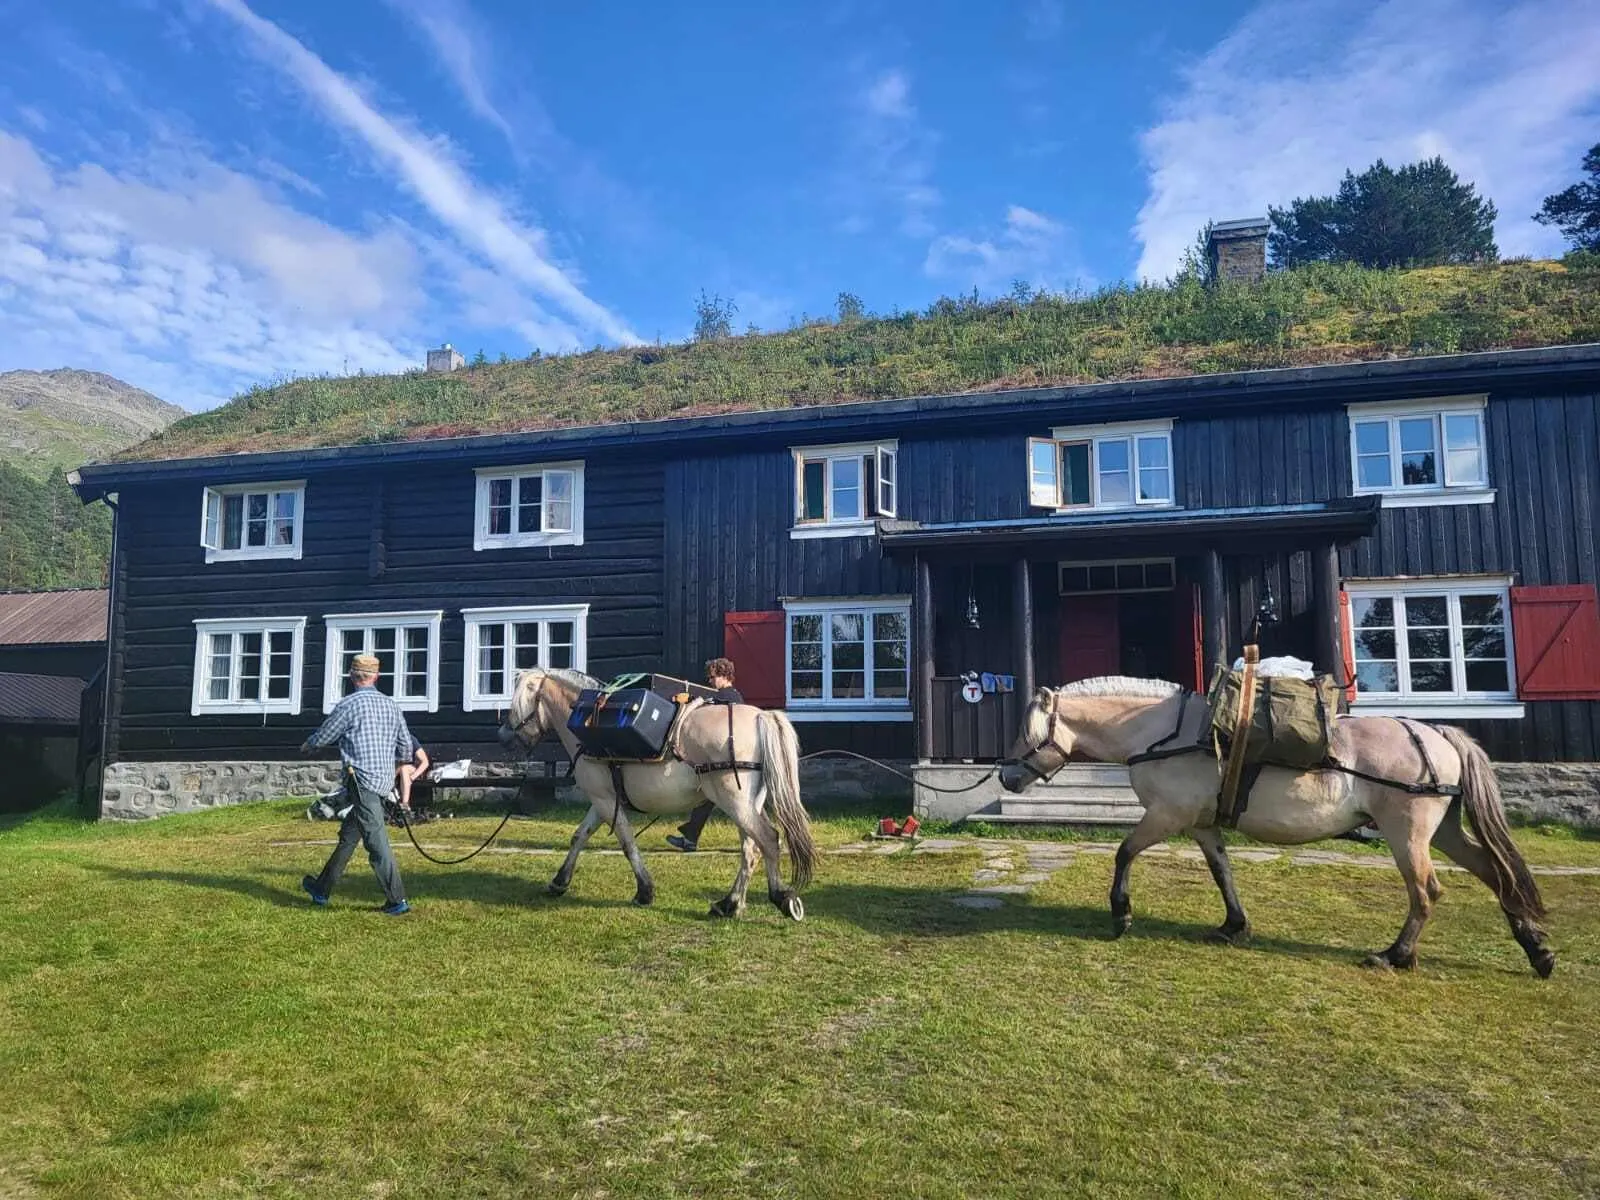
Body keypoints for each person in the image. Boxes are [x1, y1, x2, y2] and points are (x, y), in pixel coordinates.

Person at [300, 654, 425, 915]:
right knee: (349, 836)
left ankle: (396, 899)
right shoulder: (391, 705)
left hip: (361, 782)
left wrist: (309, 744)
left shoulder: (349, 705)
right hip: (382, 781)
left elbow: (325, 735)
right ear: (376, 677)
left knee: (376, 841)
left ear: (351, 676)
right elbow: (405, 744)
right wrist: (396, 766)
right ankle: (321, 889)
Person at [666, 657, 743, 853]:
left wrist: (690, 701)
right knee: (707, 798)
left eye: (712, 677)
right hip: (722, 758)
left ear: (724, 676)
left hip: (723, 759)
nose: (709, 681)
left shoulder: (726, 697)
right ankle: (690, 838)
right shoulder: (731, 696)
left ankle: (763, 836)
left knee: (732, 802)